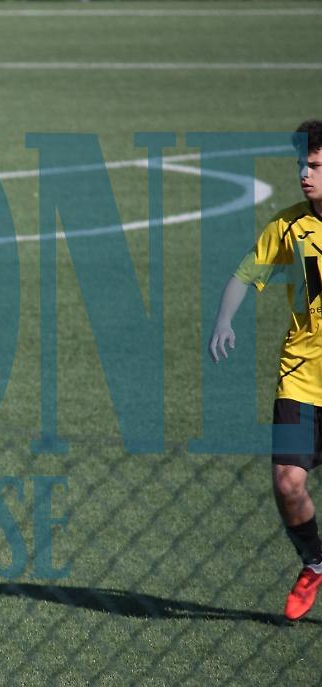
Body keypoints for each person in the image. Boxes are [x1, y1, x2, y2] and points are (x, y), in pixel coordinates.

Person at [209, 119, 322, 621]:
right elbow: (243, 275)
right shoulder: (288, 226)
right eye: (301, 164)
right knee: (286, 484)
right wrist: (224, 319)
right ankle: (315, 562)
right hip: (300, 380)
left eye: (314, 165)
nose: (303, 174)